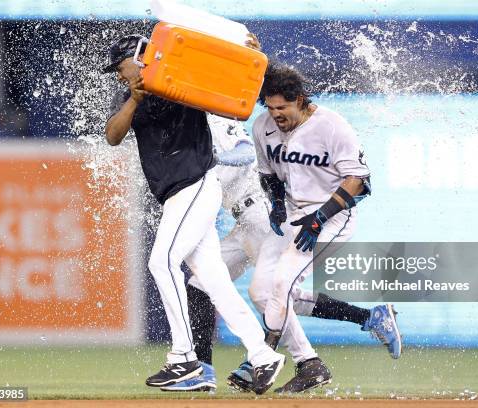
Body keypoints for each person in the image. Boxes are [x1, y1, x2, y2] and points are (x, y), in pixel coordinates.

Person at [163, 115, 402, 392]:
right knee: (201, 285)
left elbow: (243, 151)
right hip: (243, 223)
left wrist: (214, 157)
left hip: (262, 217)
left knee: (270, 294)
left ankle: (302, 360)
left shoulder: (211, 121)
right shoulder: (186, 134)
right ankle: (205, 370)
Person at [103, 34, 285, 395]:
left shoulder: (178, 77)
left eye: (120, 66)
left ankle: (184, 358)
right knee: (215, 282)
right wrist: (135, 99)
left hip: (195, 184)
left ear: (139, 57)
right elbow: (112, 135)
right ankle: (263, 355)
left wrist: (246, 54)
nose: (118, 75)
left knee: (161, 262)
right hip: (175, 195)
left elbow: (228, 84)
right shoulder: (130, 97)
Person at [225, 62, 402, 393]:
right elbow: (268, 175)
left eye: (283, 107)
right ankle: (311, 362)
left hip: (333, 216)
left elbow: (359, 182)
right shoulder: (263, 126)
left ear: (301, 100)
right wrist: (277, 205)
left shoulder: (332, 126)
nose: (276, 113)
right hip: (294, 215)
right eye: (271, 106)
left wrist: (320, 218)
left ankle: (261, 360)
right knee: (260, 293)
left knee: (281, 283)